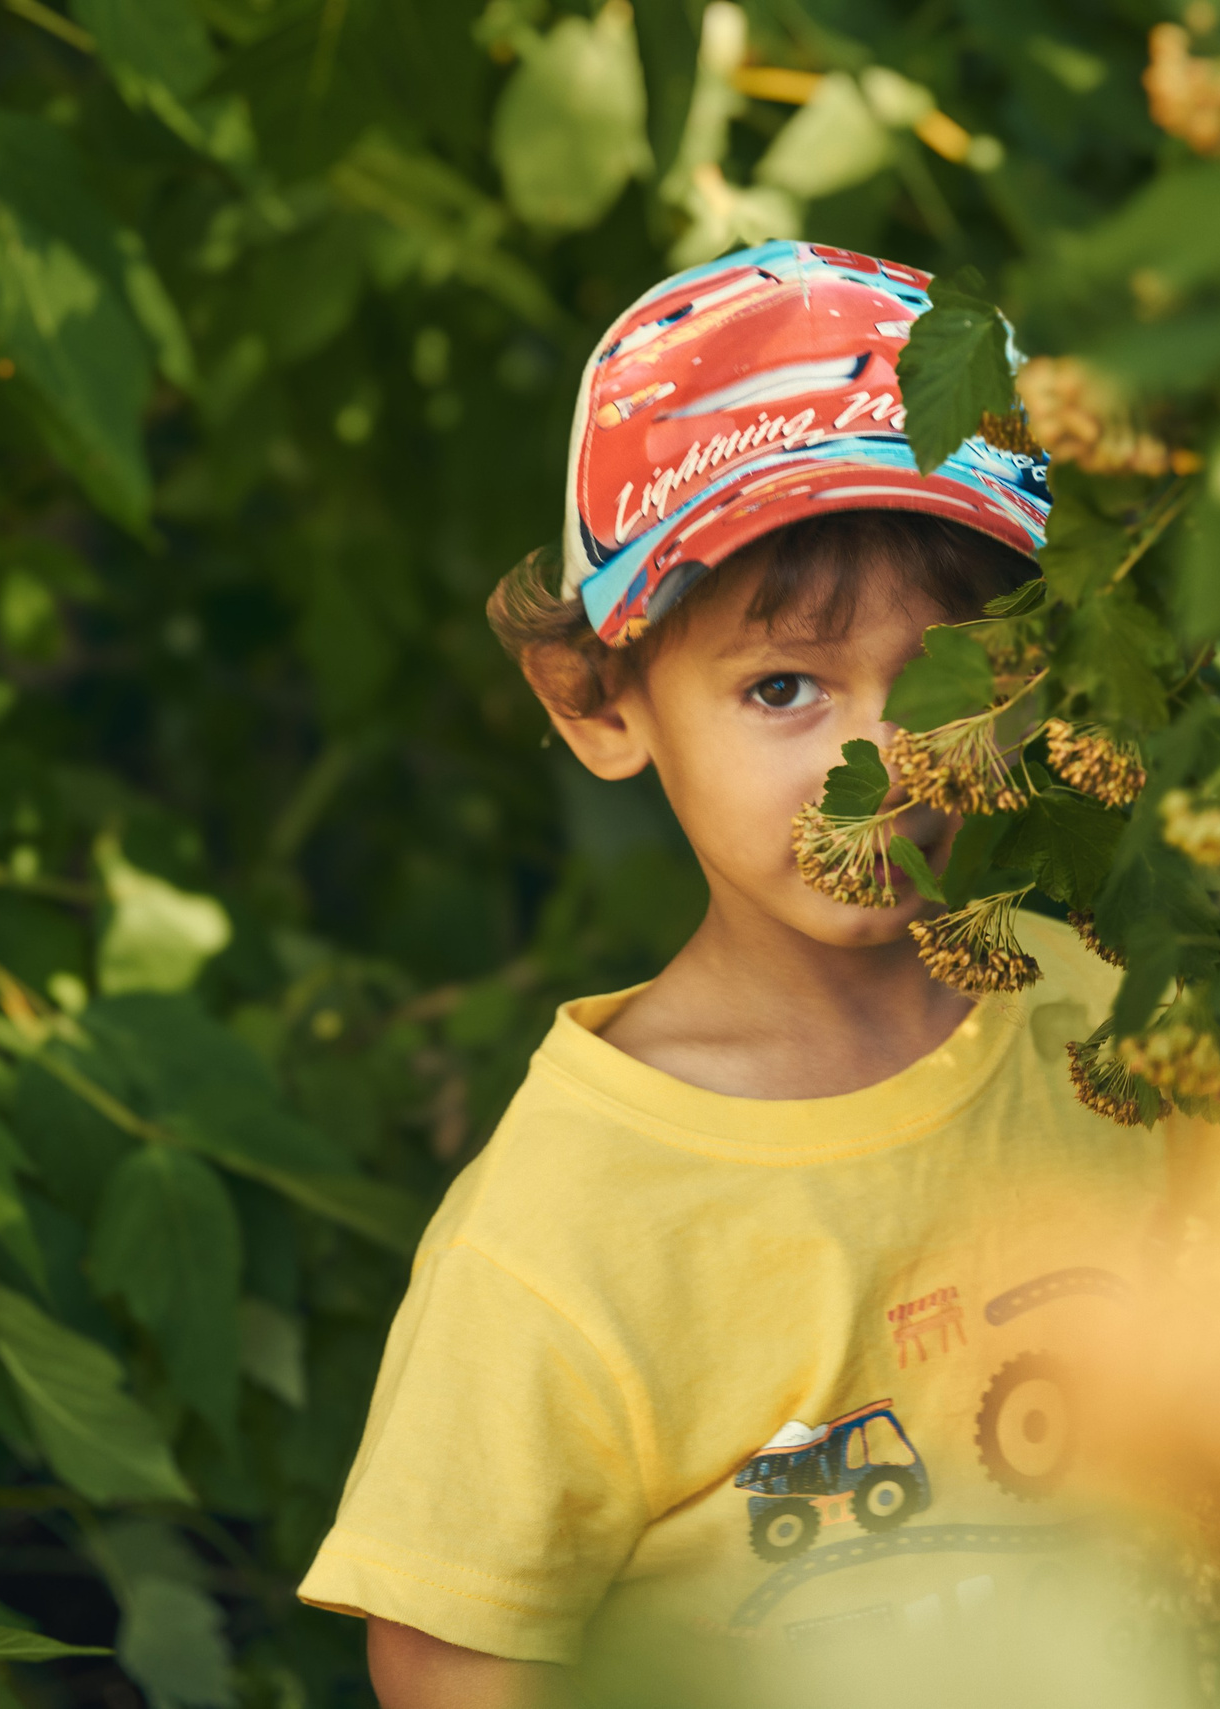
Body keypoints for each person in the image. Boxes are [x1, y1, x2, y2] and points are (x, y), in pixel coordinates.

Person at [296, 242, 1161, 1709]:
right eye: (783, 688)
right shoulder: (563, 1230)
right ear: (598, 701)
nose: (882, 766)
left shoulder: (1109, 1015)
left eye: (962, 673)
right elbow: (454, 1658)